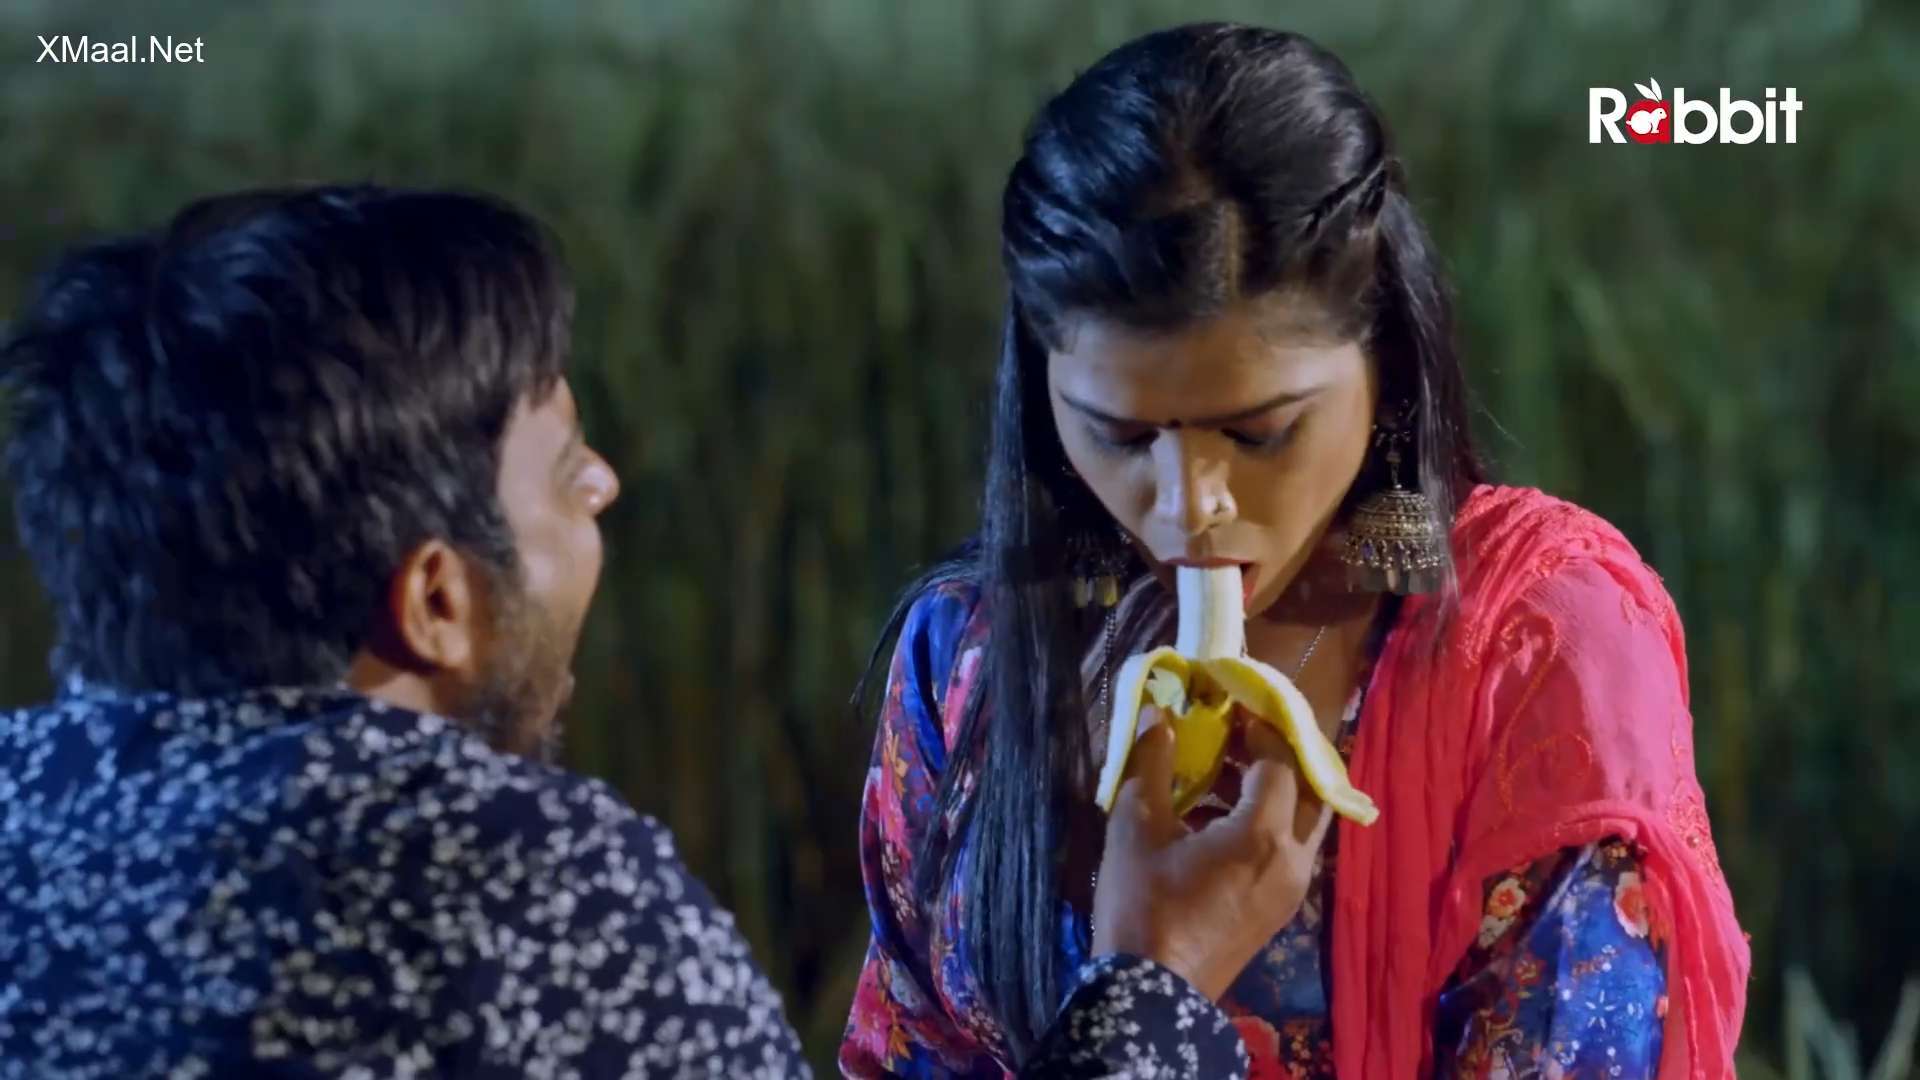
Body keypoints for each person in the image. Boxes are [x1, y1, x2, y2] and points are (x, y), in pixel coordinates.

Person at [0, 183, 1318, 1078]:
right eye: (564, 470)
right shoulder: (528, 893)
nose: (607, 483)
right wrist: (1158, 982)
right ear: (436, 603)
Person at [841, 23, 1750, 1080]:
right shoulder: (964, 658)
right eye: (1120, 436)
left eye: (1259, 431)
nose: (1191, 507)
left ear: (1384, 360)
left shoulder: (1535, 650)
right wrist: (1156, 982)